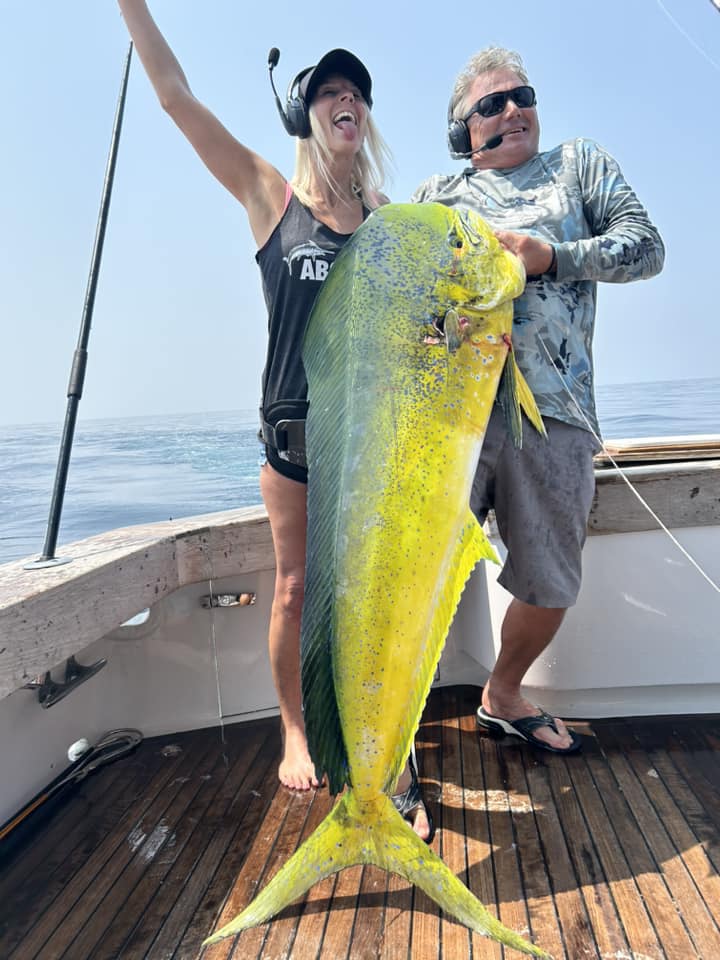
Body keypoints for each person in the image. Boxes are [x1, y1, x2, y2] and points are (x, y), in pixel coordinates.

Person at [116, 2, 433, 839]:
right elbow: (177, 98)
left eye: (357, 94)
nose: (347, 102)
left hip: (372, 451)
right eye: (330, 91)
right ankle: (294, 731)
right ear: (306, 112)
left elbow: (418, 339)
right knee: (294, 590)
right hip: (292, 448)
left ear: (365, 119)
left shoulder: (390, 226)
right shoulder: (270, 196)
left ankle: (392, 755)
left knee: (375, 604)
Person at [413, 47, 665, 753]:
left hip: (555, 414)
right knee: (416, 583)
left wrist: (548, 256)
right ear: (465, 130)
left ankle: (503, 691)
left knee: (550, 581)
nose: (513, 110)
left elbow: (646, 248)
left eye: (522, 95)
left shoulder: (577, 164)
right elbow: (413, 320)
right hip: (452, 422)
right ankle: (392, 746)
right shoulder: (435, 198)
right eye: (492, 104)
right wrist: (445, 327)